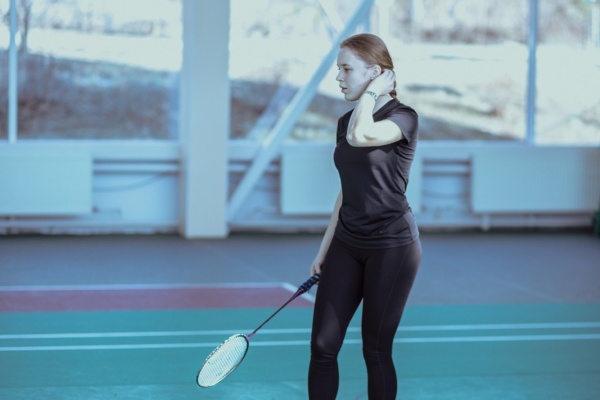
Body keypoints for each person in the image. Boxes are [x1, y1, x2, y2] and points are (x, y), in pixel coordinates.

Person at [308, 33, 422, 400]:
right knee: (323, 347)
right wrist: (325, 248)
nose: (338, 78)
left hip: (392, 246)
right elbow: (347, 190)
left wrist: (372, 93)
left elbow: (362, 136)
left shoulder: (404, 118)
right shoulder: (346, 121)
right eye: (338, 69)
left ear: (375, 72)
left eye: (346, 69)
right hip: (347, 242)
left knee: (375, 350)